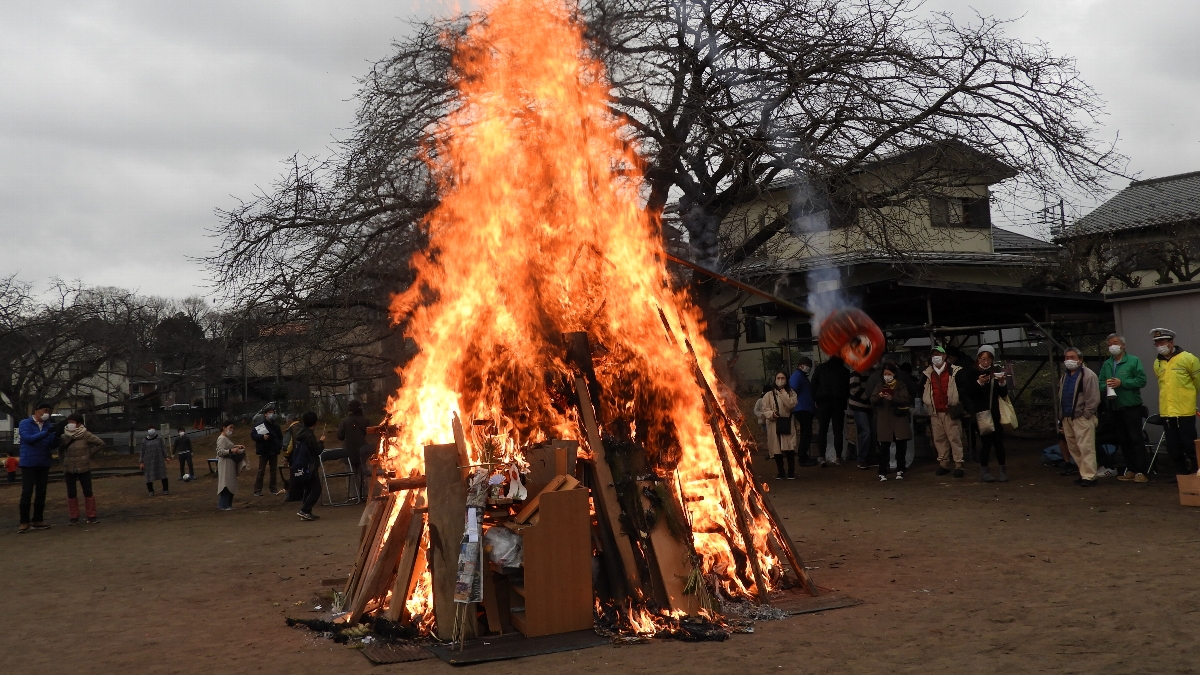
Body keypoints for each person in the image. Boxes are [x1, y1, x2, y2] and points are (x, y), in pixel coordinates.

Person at [1098, 334, 1148, 483]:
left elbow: (1141, 380)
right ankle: (1131, 469)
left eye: (1115, 343)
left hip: (1131, 406)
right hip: (1114, 406)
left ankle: (1141, 471)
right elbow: (1099, 383)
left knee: (1135, 438)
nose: (1112, 346)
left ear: (1123, 345)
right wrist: (1106, 385)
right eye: (1109, 344)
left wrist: (1122, 382)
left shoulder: (1133, 361)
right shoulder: (1107, 364)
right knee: (1123, 439)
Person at [1151, 328, 1200, 477]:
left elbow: (1197, 382)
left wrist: (1188, 398)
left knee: (1190, 444)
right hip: (1167, 412)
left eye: (1162, 342)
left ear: (1171, 342)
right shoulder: (1157, 363)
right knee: (1173, 446)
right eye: (1157, 343)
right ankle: (1180, 474)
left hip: (1184, 411)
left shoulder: (1188, 358)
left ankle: (1196, 472)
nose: (1160, 345)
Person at [962, 345, 1009, 482]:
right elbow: (969, 394)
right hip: (980, 413)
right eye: (983, 359)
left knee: (999, 442)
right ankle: (985, 471)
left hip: (995, 412)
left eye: (988, 359)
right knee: (986, 443)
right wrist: (979, 383)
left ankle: (1002, 470)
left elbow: (1003, 394)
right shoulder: (972, 373)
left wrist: (1001, 383)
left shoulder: (995, 372)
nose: (985, 362)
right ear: (978, 359)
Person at [1056, 347, 1101, 487]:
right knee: (1074, 447)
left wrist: (1086, 415)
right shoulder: (1065, 376)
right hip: (1067, 417)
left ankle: (1090, 476)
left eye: (1072, 357)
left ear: (1080, 360)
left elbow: (1093, 398)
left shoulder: (1088, 375)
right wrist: (1062, 418)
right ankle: (1083, 473)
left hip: (1081, 417)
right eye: (1067, 357)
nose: (1069, 360)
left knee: (1086, 447)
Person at [923, 346, 966, 478]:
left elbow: (963, 388)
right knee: (939, 439)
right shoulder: (928, 373)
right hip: (935, 411)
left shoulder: (954, 371)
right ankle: (944, 464)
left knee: (954, 437)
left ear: (944, 356)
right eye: (933, 355)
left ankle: (959, 464)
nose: (936, 357)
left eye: (939, 354)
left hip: (950, 410)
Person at [18, 402, 58, 533]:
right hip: (29, 461)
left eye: (49, 411)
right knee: (27, 491)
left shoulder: (48, 425)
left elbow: (51, 443)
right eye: (45, 410)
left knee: (41, 492)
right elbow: (28, 439)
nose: (47, 414)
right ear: (36, 411)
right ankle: (24, 521)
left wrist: (57, 437)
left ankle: (37, 519)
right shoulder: (25, 423)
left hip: (43, 461)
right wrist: (47, 433)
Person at [59, 413, 106, 525]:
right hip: (69, 468)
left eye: (73, 422)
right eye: (69, 422)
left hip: (84, 467)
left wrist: (88, 455)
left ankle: (91, 516)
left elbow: (100, 443)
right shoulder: (64, 436)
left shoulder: (85, 434)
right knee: (71, 492)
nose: (70, 424)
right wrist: (63, 462)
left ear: (79, 423)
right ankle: (73, 517)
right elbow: (60, 450)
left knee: (88, 491)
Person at [871, 362, 912, 481]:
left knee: (901, 446)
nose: (887, 376)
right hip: (884, 420)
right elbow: (873, 400)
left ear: (894, 374)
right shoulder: (879, 386)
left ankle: (900, 469)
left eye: (889, 373)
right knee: (884, 447)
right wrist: (879, 396)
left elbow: (905, 400)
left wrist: (892, 398)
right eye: (885, 374)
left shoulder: (901, 386)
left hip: (899, 420)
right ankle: (882, 471)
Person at [810, 355, 851, 466]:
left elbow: (813, 385)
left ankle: (822, 456)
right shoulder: (844, 371)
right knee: (838, 431)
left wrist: (816, 398)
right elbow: (848, 388)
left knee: (822, 430)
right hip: (838, 403)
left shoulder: (821, 368)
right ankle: (838, 456)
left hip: (823, 403)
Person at [758, 372, 799, 479]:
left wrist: (783, 393)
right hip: (773, 424)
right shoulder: (768, 395)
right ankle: (781, 472)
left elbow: (791, 405)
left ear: (787, 379)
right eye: (778, 378)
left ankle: (791, 472)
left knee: (789, 448)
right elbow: (765, 409)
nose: (780, 380)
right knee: (776, 449)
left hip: (787, 422)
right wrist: (772, 414)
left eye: (783, 378)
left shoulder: (791, 393)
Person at [291, 411, 326, 521]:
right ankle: (305, 510)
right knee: (316, 489)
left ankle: (306, 512)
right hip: (310, 465)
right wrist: (321, 442)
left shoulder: (300, 432)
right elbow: (317, 450)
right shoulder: (310, 436)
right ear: (315, 423)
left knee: (308, 488)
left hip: (301, 465)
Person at [337, 400, 370, 496]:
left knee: (351, 474)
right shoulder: (365, 421)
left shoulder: (345, 421)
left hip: (348, 451)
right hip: (363, 449)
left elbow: (339, 436)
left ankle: (353, 495)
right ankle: (364, 494)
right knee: (363, 473)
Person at [789, 358, 817, 468]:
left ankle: (803, 456)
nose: (808, 367)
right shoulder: (797, 376)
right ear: (800, 365)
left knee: (806, 432)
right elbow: (792, 390)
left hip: (805, 408)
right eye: (807, 365)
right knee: (806, 433)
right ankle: (803, 457)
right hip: (801, 408)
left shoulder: (801, 376)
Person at [250, 403, 284, 496]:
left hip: (273, 451)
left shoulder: (276, 426)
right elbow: (253, 435)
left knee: (273, 471)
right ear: (265, 414)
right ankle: (257, 490)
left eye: (272, 412)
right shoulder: (260, 425)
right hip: (264, 451)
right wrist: (262, 437)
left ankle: (273, 488)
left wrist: (278, 445)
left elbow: (280, 437)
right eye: (269, 412)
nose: (271, 414)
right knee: (261, 470)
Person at [847, 363, 877, 470]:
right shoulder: (856, 370)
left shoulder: (872, 371)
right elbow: (854, 389)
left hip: (869, 406)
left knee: (872, 432)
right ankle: (862, 459)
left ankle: (871, 457)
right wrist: (869, 397)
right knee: (866, 431)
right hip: (858, 406)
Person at [215, 421, 247, 510]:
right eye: (230, 427)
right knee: (226, 484)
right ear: (224, 427)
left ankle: (228, 504)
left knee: (230, 483)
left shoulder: (225, 438)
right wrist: (231, 451)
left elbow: (228, 446)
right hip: (225, 463)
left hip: (229, 463)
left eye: (233, 428)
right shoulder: (222, 438)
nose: (232, 430)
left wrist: (236, 446)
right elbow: (220, 452)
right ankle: (223, 505)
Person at [138, 427, 169, 496]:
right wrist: (141, 462)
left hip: (159, 459)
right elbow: (142, 452)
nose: (150, 430)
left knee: (163, 475)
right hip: (148, 461)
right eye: (149, 429)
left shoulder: (159, 438)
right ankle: (151, 491)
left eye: (152, 428)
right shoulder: (144, 441)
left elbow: (163, 447)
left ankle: (165, 489)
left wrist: (166, 456)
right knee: (148, 476)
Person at [280, 413, 301, 496]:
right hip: (305, 456)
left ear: (289, 421)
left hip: (294, 456)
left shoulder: (291, 429)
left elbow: (288, 445)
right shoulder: (303, 427)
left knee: (294, 474)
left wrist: (285, 458)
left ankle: (293, 494)